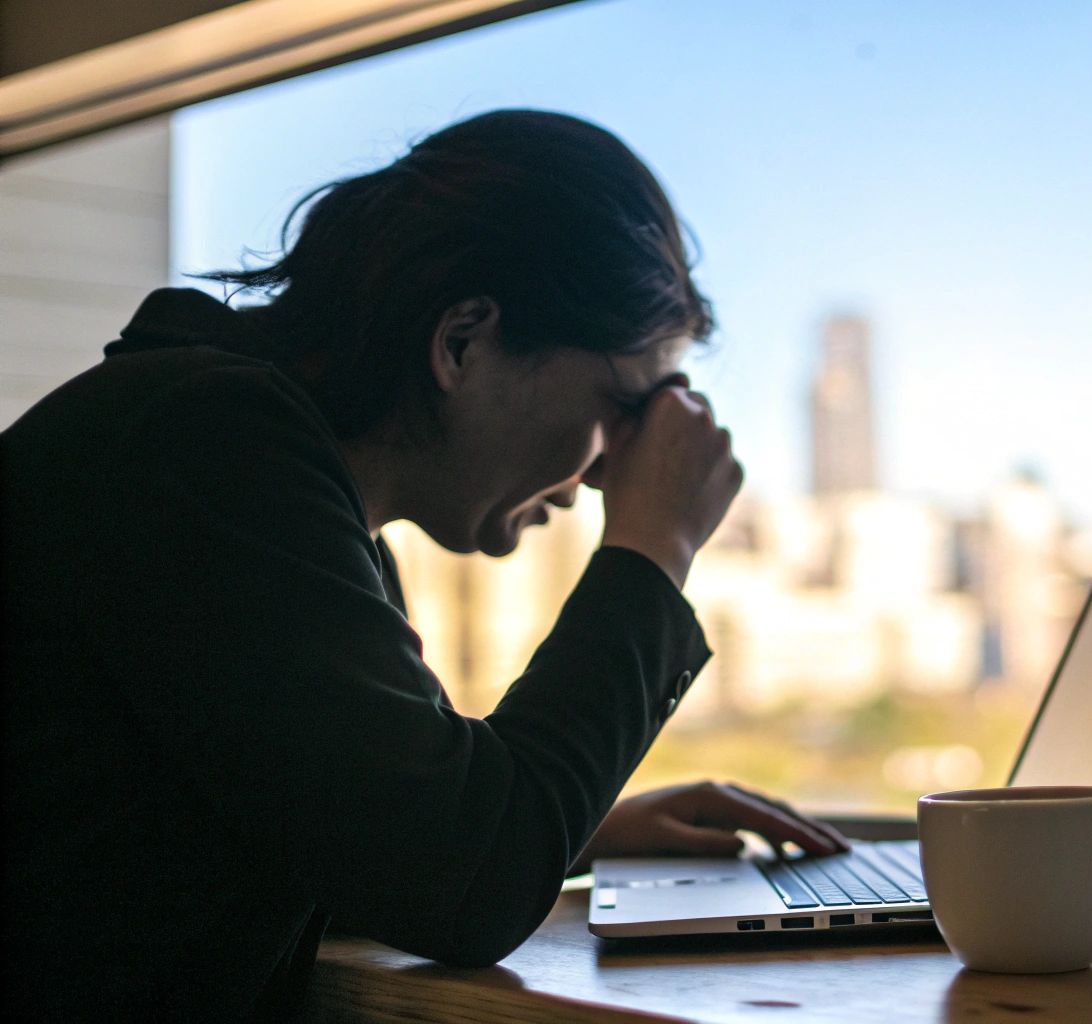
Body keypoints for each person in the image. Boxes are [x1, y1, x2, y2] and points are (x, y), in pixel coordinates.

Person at [0, 109, 848, 1019]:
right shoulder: (201, 451)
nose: (608, 471)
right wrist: (655, 550)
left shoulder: (280, 490)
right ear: (462, 343)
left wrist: (572, 828)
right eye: (621, 404)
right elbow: (460, 886)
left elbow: (364, 843)